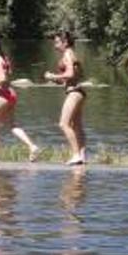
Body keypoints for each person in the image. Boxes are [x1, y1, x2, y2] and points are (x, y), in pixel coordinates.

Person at [0, 33, 39, 163]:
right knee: (11, 125)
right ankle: (32, 146)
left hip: (2, 94)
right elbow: (6, 74)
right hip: (10, 94)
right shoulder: (2, 57)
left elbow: (2, 77)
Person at [44, 30, 87, 165]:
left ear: (65, 42)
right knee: (77, 126)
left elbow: (69, 74)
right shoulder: (70, 54)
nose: (55, 45)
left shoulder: (68, 54)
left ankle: (76, 155)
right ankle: (82, 155)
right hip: (78, 92)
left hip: (74, 93)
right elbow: (68, 78)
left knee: (63, 124)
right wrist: (55, 80)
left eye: (57, 42)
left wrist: (53, 76)